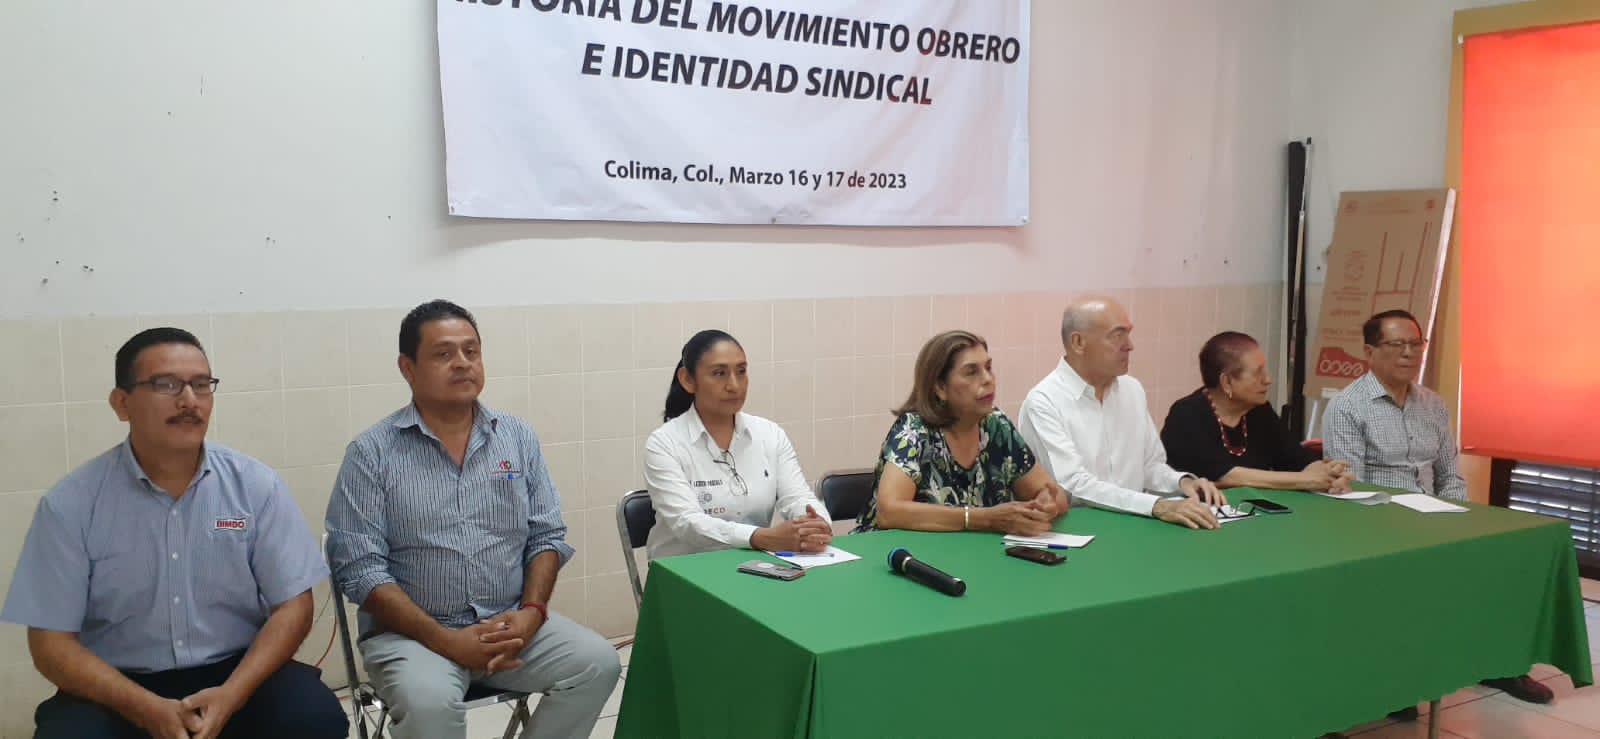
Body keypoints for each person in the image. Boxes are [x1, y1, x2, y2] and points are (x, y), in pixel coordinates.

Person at [0, 328, 346, 739]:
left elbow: (293, 606)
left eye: (201, 384)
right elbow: (50, 644)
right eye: (166, 385)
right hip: (118, 686)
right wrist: (145, 708)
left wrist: (232, 695)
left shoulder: (256, 486)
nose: (189, 400)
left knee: (314, 718)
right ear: (122, 403)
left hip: (237, 674)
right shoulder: (71, 504)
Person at [324, 300, 621, 739]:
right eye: (443, 354)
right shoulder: (372, 454)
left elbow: (546, 536)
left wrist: (532, 614)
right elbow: (361, 570)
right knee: (430, 706)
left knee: (598, 664)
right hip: (412, 638)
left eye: (471, 351)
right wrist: (446, 641)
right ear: (408, 368)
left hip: (510, 624)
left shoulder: (516, 437)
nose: (462, 363)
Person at [1324, 309, 1551, 710]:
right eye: (1397, 344)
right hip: (1379, 524)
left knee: (1505, 560)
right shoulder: (1347, 407)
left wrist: (1458, 518)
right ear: (1369, 352)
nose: (1409, 353)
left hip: (1435, 515)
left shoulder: (1432, 404)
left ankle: (1501, 661)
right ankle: (1398, 680)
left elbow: (1450, 474)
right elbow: (1350, 487)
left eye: (1416, 344)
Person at [1016, 297, 1227, 530]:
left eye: (1128, 333)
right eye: (1117, 335)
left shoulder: (1131, 390)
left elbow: (1149, 466)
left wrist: (1182, 483)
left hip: (1134, 525)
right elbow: (1073, 487)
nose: (1129, 345)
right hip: (1080, 531)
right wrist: (1156, 506)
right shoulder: (1044, 402)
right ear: (1078, 342)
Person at [855, 330, 1070, 533]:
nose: (988, 379)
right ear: (940, 387)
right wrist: (985, 519)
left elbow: (1052, 493)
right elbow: (889, 512)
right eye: (971, 372)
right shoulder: (914, 431)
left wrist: (1046, 503)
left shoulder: (996, 425)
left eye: (988, 368)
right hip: (896, 552)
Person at [643, 330, 832, 559]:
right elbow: (687, 523)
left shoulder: (770, 435)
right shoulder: (664, 443)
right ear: (688, 380)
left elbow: (798, 497)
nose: (734, 385)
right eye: (719, 373)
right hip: (684, 569)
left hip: (754, 564)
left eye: (741, 371)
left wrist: (816, 524)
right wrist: (760, 538)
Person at [1161, 331, 1354, 492]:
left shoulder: (1259, 411)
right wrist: (1307, 480)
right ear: (1227, 382)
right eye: (1257, 373)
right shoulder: (1187, 415)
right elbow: (1227, 476)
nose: (1268, 380)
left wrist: (1328, 474)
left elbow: (1296, 458)